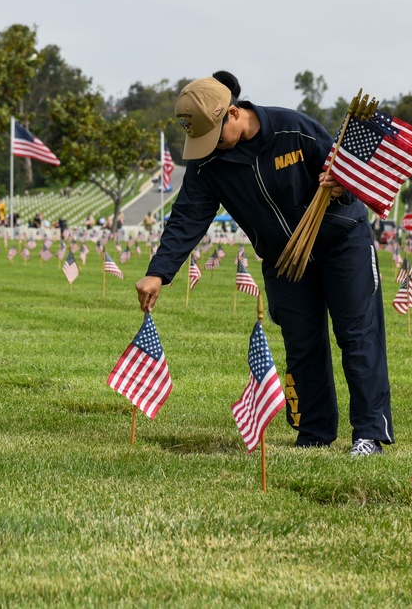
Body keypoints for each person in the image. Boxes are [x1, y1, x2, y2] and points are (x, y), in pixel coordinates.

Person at [135, 71, 393, 457]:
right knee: (301, 345)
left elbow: (343, 178)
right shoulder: (207, 165)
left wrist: (342, 188)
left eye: (214, 136)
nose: (209, 148)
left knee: (357, 336)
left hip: (342, 242)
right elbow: (187, 217)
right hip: (283, 258)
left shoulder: (295, 129)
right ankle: (314, 433)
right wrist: (158, 271)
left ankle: (369, 435)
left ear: (234, 114)